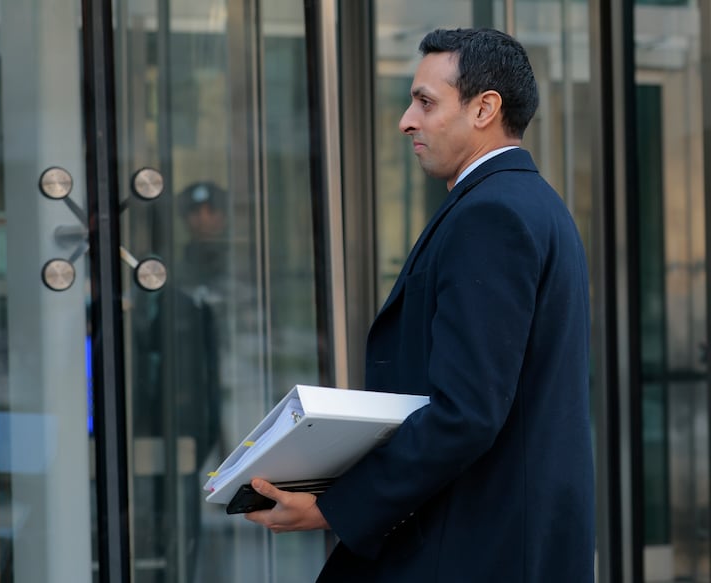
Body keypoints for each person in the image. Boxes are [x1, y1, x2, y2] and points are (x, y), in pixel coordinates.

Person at [243, 27, 595, 582]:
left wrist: (336, 507)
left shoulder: (492, 214)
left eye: (426, 102)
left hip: (472, 545)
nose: (407, 120)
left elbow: (466, 412)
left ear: (485, 109)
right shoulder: (533, 204)